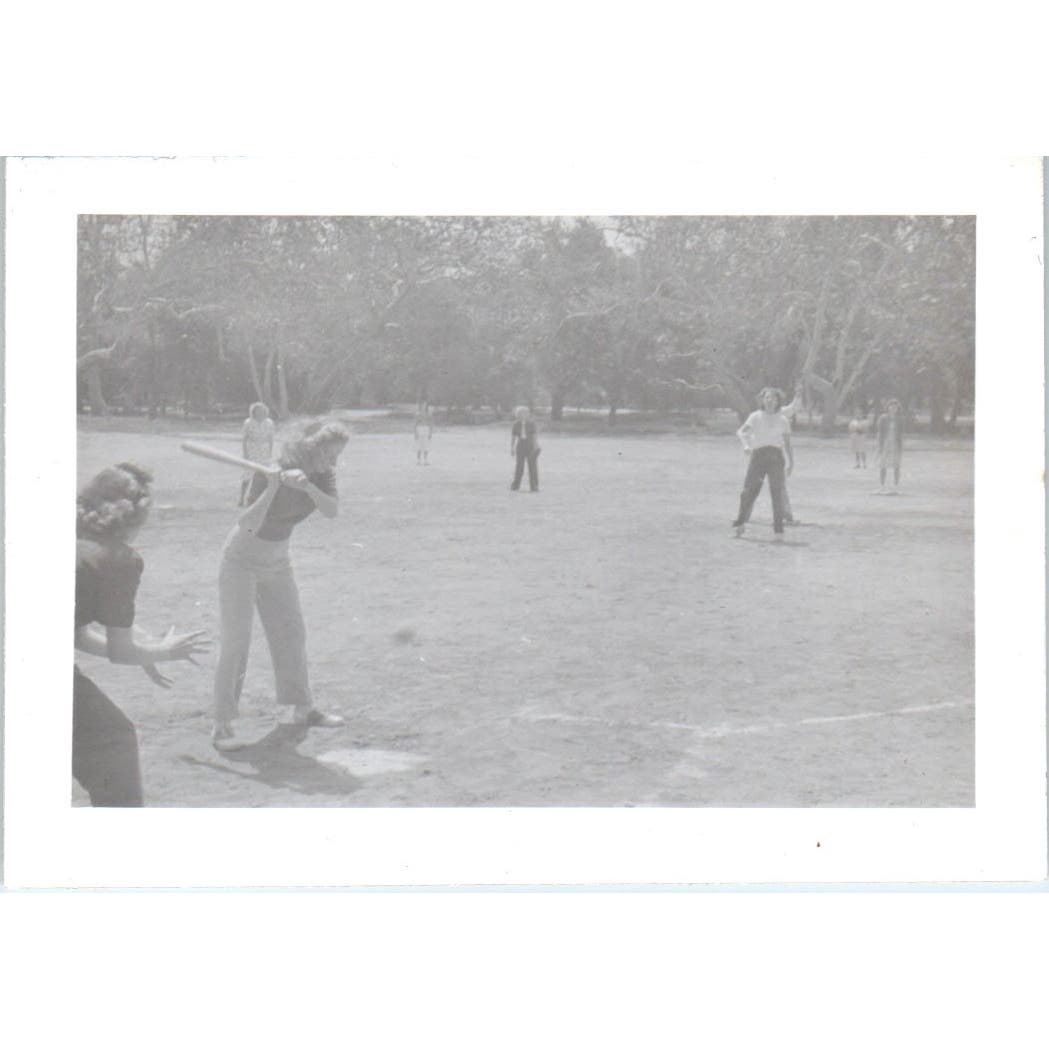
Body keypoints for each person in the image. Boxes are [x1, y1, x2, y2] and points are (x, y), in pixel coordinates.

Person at [74, 462, 210, 805]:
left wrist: (145, 645)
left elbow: (74, 633)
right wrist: (162, 651)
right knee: (114, 742)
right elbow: (122, 651)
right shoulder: (119, 559)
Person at [213, 418, 350, 750]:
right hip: (241, 560)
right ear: (309, 447)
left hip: (278, 561)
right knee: (237, 641)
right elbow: (246, 523)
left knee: (291, 631)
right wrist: (273, 485)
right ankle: (222, 723)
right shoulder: (269, 471)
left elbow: (331, 510)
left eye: (337, 456)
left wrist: (307, 487)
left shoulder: (321, 474)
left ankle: (301, 708)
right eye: (329, 454)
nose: (333, 462)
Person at [732, 387, 793, 541]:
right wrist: (746, 445)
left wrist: (791, 462)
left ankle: (779, 532)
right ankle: (740, 524)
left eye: (773, 397)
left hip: (776, 457)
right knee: (748, 491)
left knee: (776, 493)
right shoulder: (755, 417)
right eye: (767, 397)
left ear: (778, 400)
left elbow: (787, 443)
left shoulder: (783, 420)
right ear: (762, 400)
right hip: (758, 456)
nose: (770, 400)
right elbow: (741, 432)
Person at [239, 402, 276, 506]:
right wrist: (245, 452)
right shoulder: (248, 422)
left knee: (266, 475)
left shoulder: (269, 423)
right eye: (257, 410)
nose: (260, 412)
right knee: (247, 475)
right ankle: (241, 499)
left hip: (264, 450)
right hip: (252, 450)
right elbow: (244, 438)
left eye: (262, 410)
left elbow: (271, 438)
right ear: (253, 412)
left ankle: (264, 500)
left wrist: (270, 452)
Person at [876, 397, 904, 493]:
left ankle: (895, 487)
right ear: (888, 407)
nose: (893, 409)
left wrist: (901, 447)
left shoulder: (899, 419)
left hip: (895, 444)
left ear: (897, 409)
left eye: (895, 407)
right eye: (891, 406)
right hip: (885, 444)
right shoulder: (883, 418)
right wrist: (879, 446)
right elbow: (879, 433)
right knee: (883, 465)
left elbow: (900, 434)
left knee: (896, 466)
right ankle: (882, 486)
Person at [510, 406, 541, 492]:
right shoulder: (516, 424)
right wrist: (512, 448)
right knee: (519, 466)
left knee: (532, 467)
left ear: (527, 414)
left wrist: (536, 446)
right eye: (520, 414)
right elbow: (513, 437)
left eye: (524, 413)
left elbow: (535, 436)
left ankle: (534, 486)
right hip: (520, 445)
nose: (522, 415)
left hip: (530, 445)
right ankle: (515, 485)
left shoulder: (532, 423)